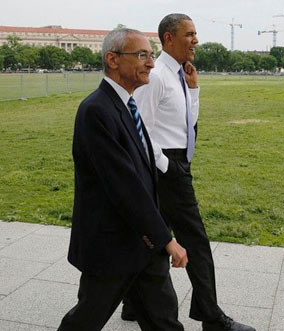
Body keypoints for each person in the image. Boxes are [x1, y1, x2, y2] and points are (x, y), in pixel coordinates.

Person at [128, 14, 255, 331]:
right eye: (190, 34)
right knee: (196, 242)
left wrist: (194, 89)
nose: (196, 40)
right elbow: (138, 130)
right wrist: (168, 166)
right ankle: (211, 317)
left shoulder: (179, 75)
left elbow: (186, 123)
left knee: (149, 237)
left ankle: (132, 304)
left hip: (175, 162)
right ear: (169, 39)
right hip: (165, 166)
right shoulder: (157, 77)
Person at [57, 28, 188, 331]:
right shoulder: (96, 111)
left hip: (143, 243)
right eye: (142, 55)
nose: (151, 64)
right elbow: (124, 185)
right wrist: (167, 240)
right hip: (111, 245)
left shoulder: (127, 105)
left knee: (164, 321)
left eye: (151, 55)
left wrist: (158, 235)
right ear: (112, 60)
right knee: (86, 320)